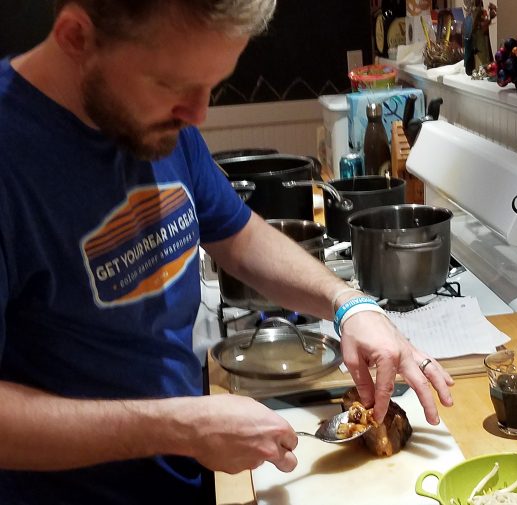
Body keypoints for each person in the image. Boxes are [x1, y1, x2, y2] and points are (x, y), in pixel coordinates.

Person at [0, 1, 454, 503]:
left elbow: (238, 236)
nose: (198, 115)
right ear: (76, 37)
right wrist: (177, 428)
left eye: (210, 85)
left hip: (190, 475)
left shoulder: (163, 121)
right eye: (174, 85)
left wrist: (347, 303)